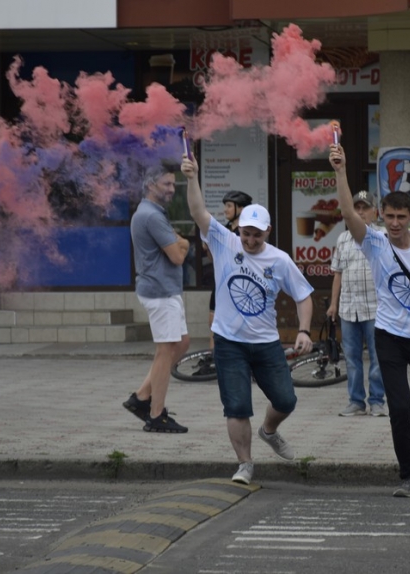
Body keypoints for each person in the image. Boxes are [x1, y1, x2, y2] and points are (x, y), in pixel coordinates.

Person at [331, 144, 410, 497]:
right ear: (380, 215)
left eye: (401, 217)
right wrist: (341, 171)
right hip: (388, 336)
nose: (394, 224)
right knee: (400, 409)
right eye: (389, 217)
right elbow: (347, 212)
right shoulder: (373, 243)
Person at [183, 154, 314, 486]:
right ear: (238, 230)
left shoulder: (280, 259)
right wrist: (192, 177)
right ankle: (245, 464)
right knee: (237, 406)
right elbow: (199, 212)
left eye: (257, 235)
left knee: (286, 399)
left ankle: (269, 431)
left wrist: (303, 330)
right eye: (246, 234)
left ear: (267, 231)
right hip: (229, 342)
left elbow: (303, 295)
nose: (250, 240)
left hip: (266, 342)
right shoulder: (225, 242)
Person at [122, 165, 192, 433]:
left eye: (174, 184)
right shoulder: (151, 216)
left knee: (181, 343)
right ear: (151, 185)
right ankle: (156, 416)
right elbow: (178, 255)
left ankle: (140, 398)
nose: (172, 189)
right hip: (160, 292)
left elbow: (176, 246)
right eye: (167, 184)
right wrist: (183, 244)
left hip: (163, 290)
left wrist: (180, 243)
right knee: (166, 351)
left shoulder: (150, 213)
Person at [327, 190, 386, 417]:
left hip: (376, 308)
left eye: (365, 208)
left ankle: (377, 400)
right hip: (348, 308)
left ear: (375, 212)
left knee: (377, 357)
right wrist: (333, 304)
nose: (360, 212)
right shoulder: (343, 239)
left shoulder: (382, 236)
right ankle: (356, 401)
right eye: (356, 208)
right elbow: (337, 274)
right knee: (351, 358)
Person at [207, 191, 252, 349]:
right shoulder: (224, 230)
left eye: (228, 206)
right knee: (213, 322)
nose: (225, 210)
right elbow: (216, 259)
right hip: (220, 283)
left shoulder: (248, 233)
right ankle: (212, 361)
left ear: (240, 209)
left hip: (239, 286)